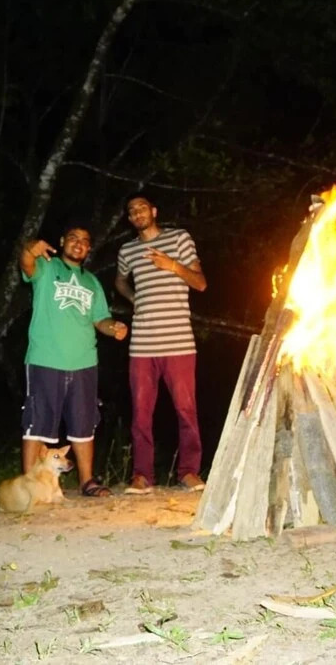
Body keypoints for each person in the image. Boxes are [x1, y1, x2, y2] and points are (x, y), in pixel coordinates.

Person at [20, 222, 127, 497]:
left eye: (84, 240)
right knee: (38, 422)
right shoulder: (47, 267)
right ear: (62, 241)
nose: (79, 243)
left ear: (89, 248)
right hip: (46, 359)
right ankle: (30, 485)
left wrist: (114, 326)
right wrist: (30, 249)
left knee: (84, 424)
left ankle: (87, 481)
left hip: (84, 363)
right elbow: (27, 265)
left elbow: (100, 319)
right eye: (73, 238)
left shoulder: (92, 282)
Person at [115, 193, 207, 494]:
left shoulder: (179, 239)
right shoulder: (127, 250)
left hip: (178, 342)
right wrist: (135, 299)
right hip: (142, 344)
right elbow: (119, 281)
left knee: (186, 410)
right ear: (130, 219)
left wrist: (173, 266)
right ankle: (142, 476)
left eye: (142, 207)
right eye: (132, 211)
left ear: (154, 211)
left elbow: (200, 282)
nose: (137, 213)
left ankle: (189, 472)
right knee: (141, 413)